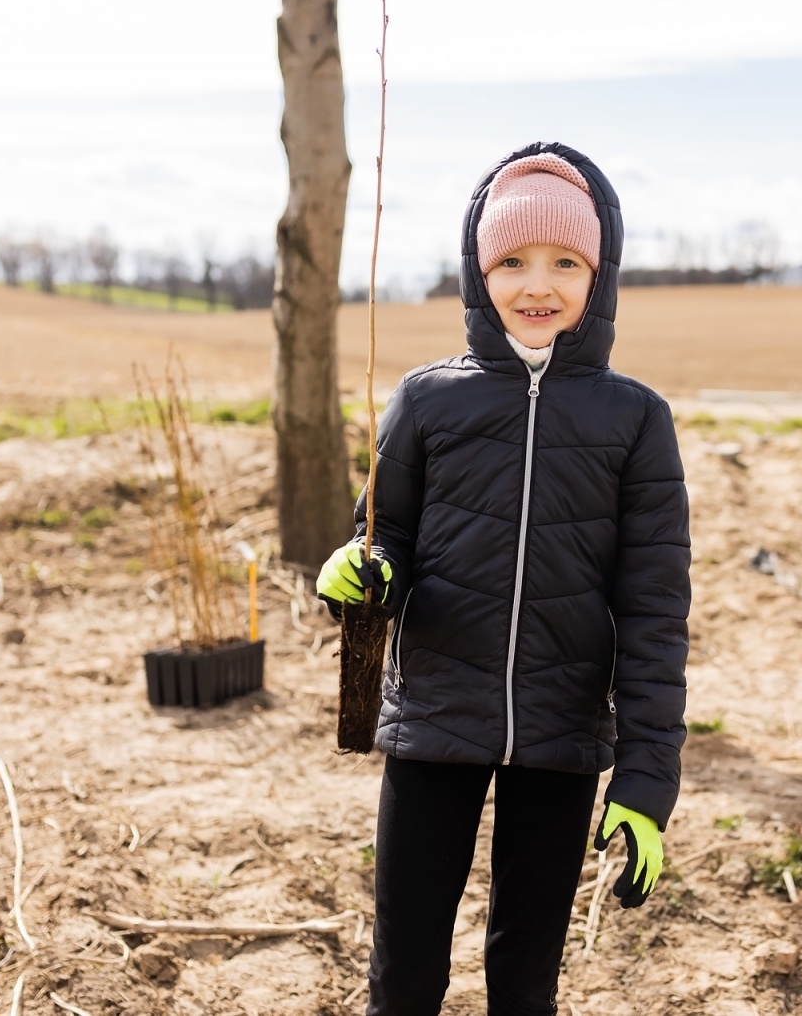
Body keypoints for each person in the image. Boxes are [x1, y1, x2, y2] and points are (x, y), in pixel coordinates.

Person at [316, 141, 691, 1016]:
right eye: (513, 260)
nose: (538, 283)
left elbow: (654, 614)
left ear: (599, 276)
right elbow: (389, 537)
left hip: (561, 738)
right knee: (403, 977)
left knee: (525, 984)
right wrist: (360, 569)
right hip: (434, 723)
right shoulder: (426, 400)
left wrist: (644, 784)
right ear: (477, 272)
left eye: (566, 262)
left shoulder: (636, 421)